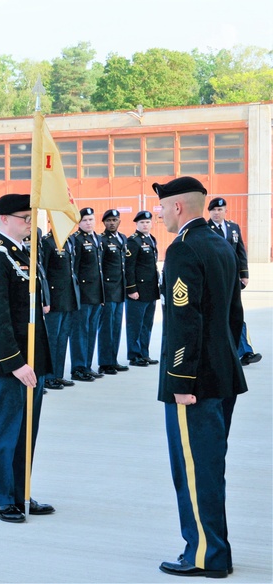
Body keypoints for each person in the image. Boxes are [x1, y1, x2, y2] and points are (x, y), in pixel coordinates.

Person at [153, 177, 247, 579]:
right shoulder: (219, 242)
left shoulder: (184, 249)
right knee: (210, 467)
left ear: (178, 207)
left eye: (161, 207)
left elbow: (183, 320)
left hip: (195, 382)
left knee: (195, 471)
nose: (158, 214)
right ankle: (212, 547)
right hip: (222, 375)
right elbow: (234, 314)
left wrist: (179, 381)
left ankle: (206, 555)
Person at [0, 194, 54, 523]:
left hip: (32, 360)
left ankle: (22, 492)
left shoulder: (24, 254)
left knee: (25, 432)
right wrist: (16, 362)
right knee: (4, 432)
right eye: (24, 217)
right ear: (3, 219)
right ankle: (1, 497)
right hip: (9, 363)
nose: (29, 222)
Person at [207, 197, 262, 366]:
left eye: (220, 210)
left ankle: (245, 352)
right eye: (214, 210)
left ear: (225, 211)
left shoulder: (233, 228)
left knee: (236, 314)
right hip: (213, 281)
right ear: (209, 212)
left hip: (232, 280)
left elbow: (240, 251)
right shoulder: (205, 229)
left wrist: (244, 274)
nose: (217, 213)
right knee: (216, 316)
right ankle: (221, 353)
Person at [39, 229, 79, 391]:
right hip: (55, 299)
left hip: (68, 298)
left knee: (63, 338)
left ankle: (57, 374)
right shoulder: (48, 242)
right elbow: (44, 274)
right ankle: (48, 376)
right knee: (52, 339)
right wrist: (45, 299)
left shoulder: (69, 240)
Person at [68, 207, 105, 383]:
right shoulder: (76, 240)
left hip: (96, 293)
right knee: (80, 332)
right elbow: (74, 269)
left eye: (91, 219)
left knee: (91, 331)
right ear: (78, 223)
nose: (88, 223)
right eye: (85, 220)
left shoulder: (97, 238)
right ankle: (78, 367)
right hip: (82, 294)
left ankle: (87, 366)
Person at [124, 211, 160, 367]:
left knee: (147, 324)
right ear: (136, 224)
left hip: (150, 290)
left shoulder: (151, 239)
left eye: (147, 222)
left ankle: (144, 353)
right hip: (137, 291)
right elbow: (129, 267)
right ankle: (135, 355)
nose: (145, 225)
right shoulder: (133, 241)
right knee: (135, 325)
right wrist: (131, 289)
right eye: (142, 223)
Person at [97, 209, 128, 375]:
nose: (111, 223)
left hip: (120, 290)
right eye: (108, 220)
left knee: (116, 327)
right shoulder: (102, 240)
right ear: (104, 223)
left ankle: (113, 360)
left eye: (114, 220)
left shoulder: (122, 238)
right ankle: (105, 362)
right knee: (106, 328)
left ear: (119, 221)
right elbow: (100, 267)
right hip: (108, 290)